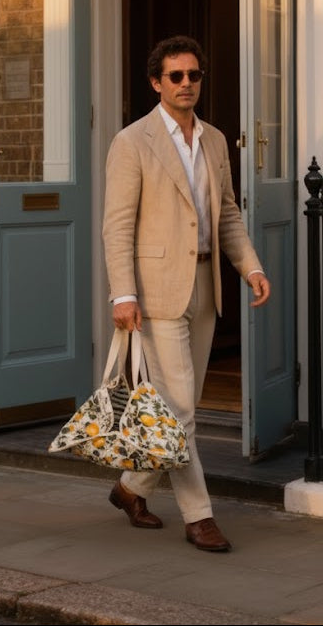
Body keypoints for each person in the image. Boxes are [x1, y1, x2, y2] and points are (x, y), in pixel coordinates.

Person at [102, 35, 270, 552]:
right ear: (157, 83)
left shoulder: (216, 140)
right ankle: (199, 517)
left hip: (204, 285)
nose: (186, 84)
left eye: (193, 75)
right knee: (181, 412)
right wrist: (122, 294)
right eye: (175, 76)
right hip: (154, 293)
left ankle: (131, 488)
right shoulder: (132, 141)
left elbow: (227, 212)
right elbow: (117, 226)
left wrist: (250, 266)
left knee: (181, 406)